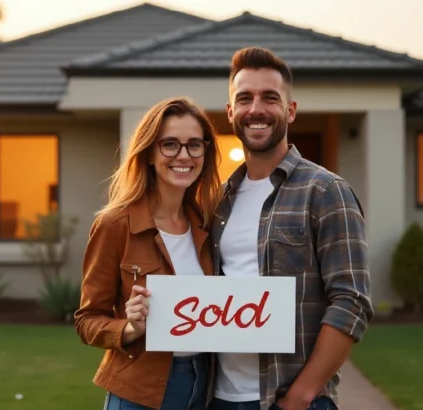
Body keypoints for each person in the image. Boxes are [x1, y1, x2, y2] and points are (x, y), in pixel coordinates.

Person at [208, 47, 375, 410]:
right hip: (219, 397)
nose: (256, 109)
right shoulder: (219, 200)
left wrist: (301, 396)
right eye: (245, 98)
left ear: (290, 110)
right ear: (230, 112)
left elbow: (352, 302)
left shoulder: (326, 191)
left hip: (290, 399)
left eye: (270, 98)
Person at [74, 97, 222, 410]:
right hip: (139, 392)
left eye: (194, 145)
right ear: (150, 153)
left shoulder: (209, 224)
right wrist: (128, 327)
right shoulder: (115, 225)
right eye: (170, 144)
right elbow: (87, 320)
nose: (184, 155)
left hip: (205, 386)